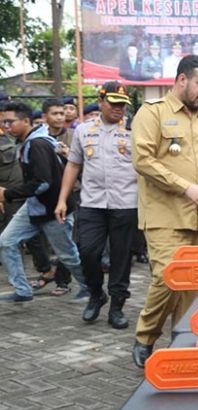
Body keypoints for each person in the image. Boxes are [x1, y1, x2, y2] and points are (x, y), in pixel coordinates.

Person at [130, 55, 198, 367]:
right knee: (168, 277)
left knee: (192, 286)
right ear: (182, 80)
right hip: (164, 216)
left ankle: (182, 341)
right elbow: (143, 160)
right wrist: (185, 187)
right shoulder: (152, 113)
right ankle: (145, 337)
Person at [55, 81, 138, 329]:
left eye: (123, 104)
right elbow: (73, 165)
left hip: (126, 203)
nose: (119, 108)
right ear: (101, 101)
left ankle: (117, 306)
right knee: (87, 251)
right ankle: (96, 294)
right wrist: (62, 199)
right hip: (92, 203)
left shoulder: (135, 130)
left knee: (121, 258)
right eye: (113, 103)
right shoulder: (83, 130)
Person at [0, 102, 87, 303]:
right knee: (7, 241)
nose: (6, 126)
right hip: (34, 206)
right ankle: (22, 290)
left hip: (54, 209)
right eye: (4, 121)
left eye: (10, 121)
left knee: (68, 255)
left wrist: (8, 194)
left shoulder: (37, 144)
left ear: (26, 121)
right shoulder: (31, 141)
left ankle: (91, 287)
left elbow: (42, 184)